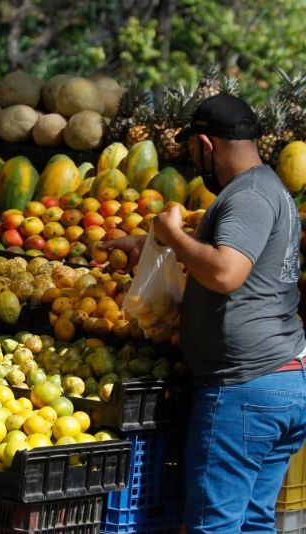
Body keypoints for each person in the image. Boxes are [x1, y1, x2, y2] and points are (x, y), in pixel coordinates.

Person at [103, 94, 306, 533]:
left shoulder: (248, 196)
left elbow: (226, 272)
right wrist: (149, 247)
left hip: (244, 389)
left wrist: (173, 233)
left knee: (213, 526)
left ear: (206, 146)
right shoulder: (270, 189)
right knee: (252, 523)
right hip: (279, 380)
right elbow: (235, 264)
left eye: (192, 150)